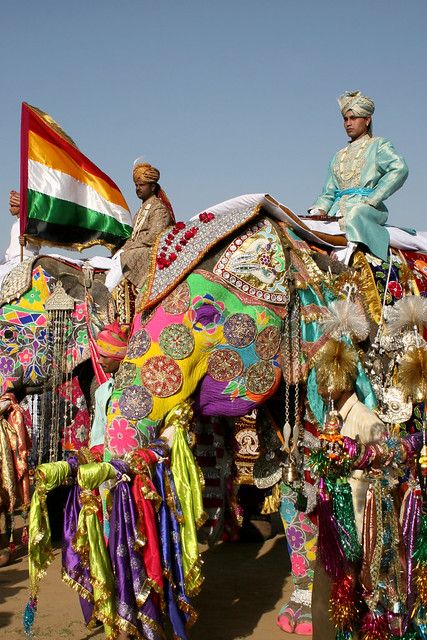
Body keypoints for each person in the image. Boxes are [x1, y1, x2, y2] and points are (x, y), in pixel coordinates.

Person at [309, 91, 408, 261]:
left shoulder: (378, 145)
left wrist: (373, 198)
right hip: (337, 210)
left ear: (367, 120)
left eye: (353, 118)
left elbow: (399, 169)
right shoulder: (338, 155)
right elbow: (328, 192)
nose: (348, 123)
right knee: (306, 226)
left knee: (355, 214)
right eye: (345, 119)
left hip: (367, 207)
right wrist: (319, 210)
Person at [105, 161, 174, 292]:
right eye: (136, 185)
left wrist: (127, 249)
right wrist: (123, 248)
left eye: (142, 185)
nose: (138, 188)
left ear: (153, 187)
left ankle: (107, 292)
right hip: (136, 249)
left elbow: (153, 237)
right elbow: (133, 236)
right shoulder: (141, 210)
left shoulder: (159, 209)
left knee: (126, 257)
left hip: (150, 251)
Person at [89, 321, 129, 452]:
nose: (99, 361)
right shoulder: (102, 391)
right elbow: (98, 435)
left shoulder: (135, 388)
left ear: (120, 357)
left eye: (105, 356)